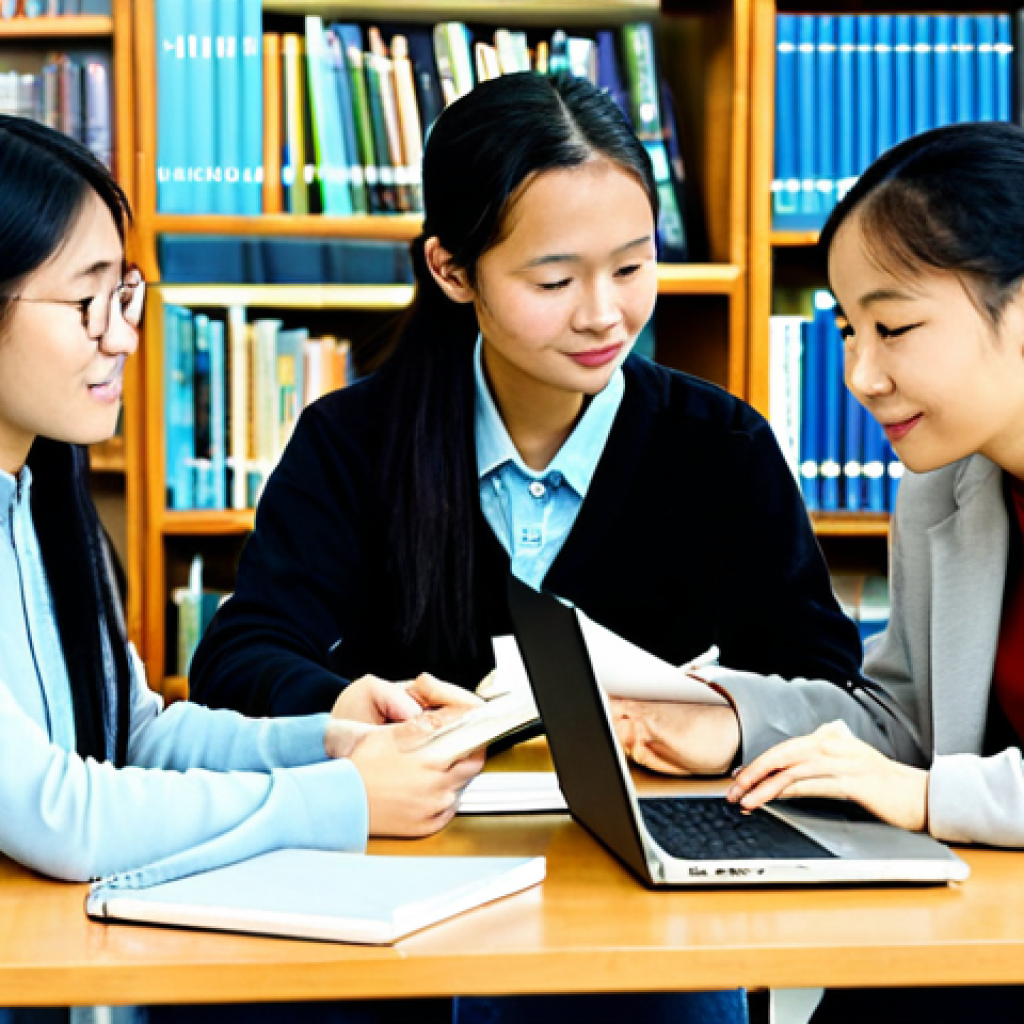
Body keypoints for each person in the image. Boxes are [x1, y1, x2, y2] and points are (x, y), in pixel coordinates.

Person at [191, 71, 865, 1024]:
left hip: (638, 880)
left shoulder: (719, 447)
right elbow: (237, 654)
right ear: (452, 271)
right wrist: (350, 706)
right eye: (555, 280)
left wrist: (719, 720)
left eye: (632, 267)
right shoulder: (355, 439)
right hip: (402, 872)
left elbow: (824, 678)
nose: (604, 314)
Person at [0, 114, 484, 896]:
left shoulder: (45, 501)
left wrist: (334, 740)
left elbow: (133, 736)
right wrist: (344, 799)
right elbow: (61, 814)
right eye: (85, 301)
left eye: (123, 291)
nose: (122, 337)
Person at [618, 121, 1024, 1023]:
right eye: (848, 329)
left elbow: (920, 777)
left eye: (895, 327)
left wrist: (928, 798)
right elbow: (904, 719)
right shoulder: (945, 484)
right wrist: (731, 723)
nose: (859, 374)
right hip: (981, 933)